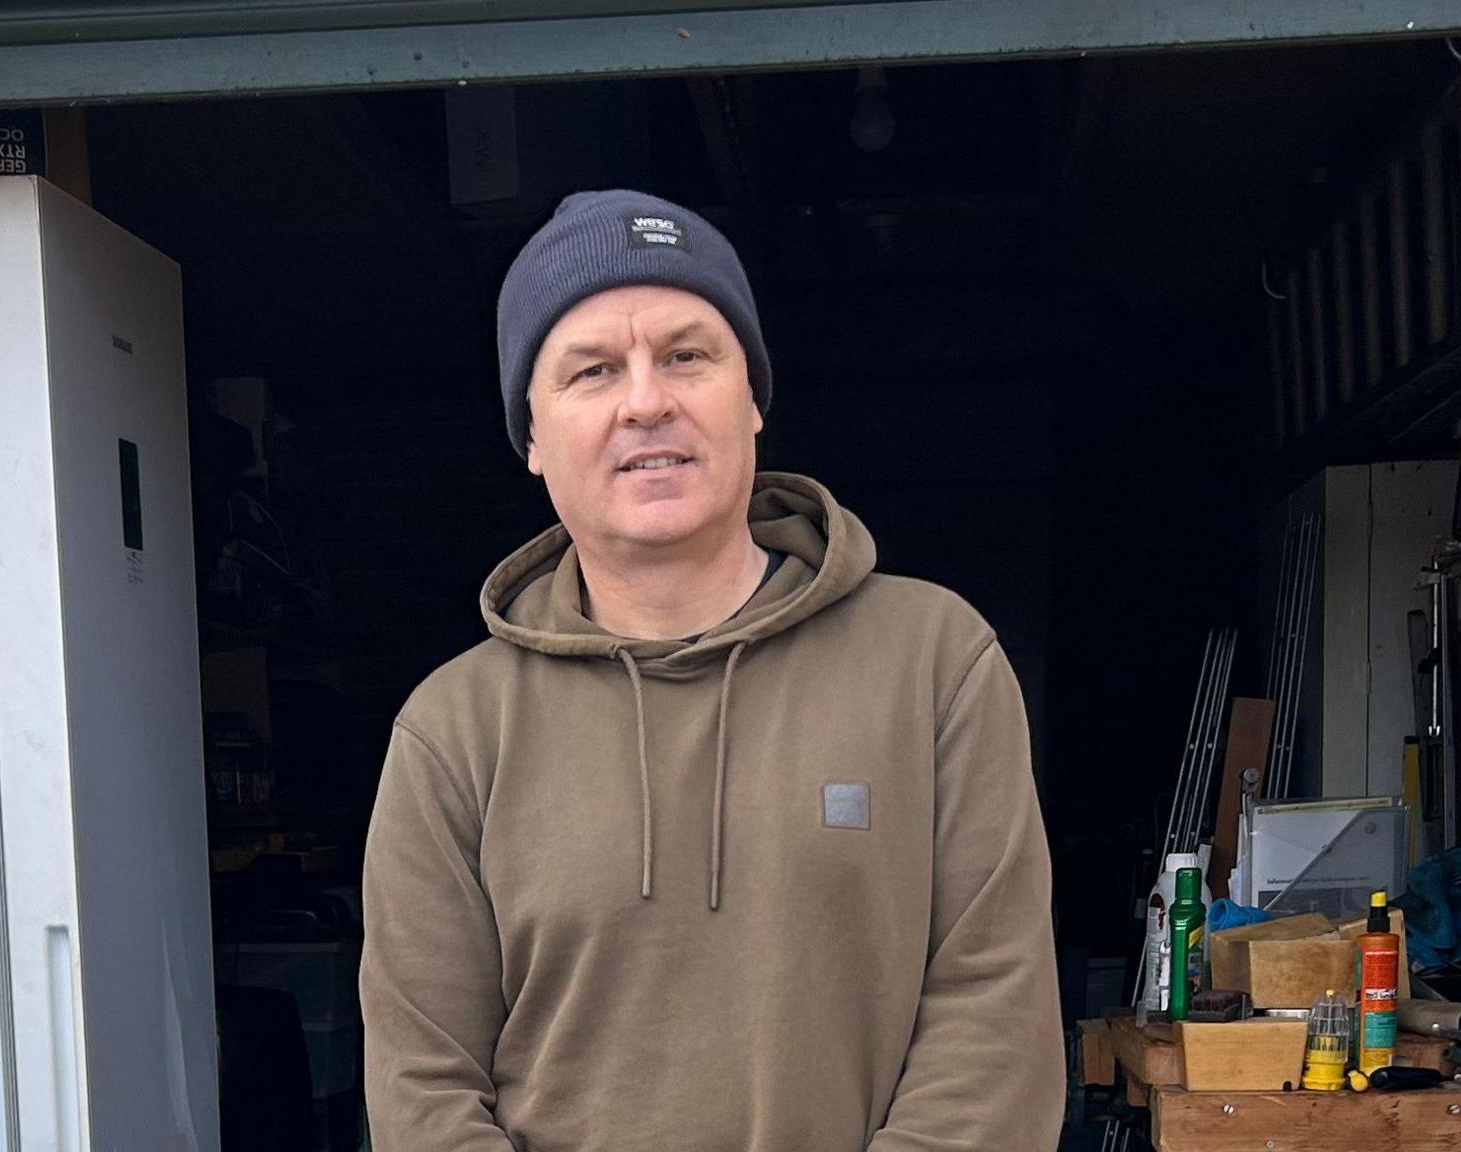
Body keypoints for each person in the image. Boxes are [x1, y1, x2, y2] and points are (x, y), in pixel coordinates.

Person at [359, 189, 1062, 1150]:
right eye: (592, 370)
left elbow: (994, 1020)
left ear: (755, 398)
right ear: (531, 436)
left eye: (688, 355)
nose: (647, 401)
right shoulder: (453, 732)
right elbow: (421, 1084)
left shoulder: (935, 662)